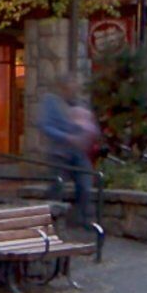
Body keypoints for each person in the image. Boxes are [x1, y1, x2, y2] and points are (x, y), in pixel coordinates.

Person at [36, 81, 102, 231]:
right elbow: (45, 125)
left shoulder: (79, 103)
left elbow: (91, 124)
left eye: (75, 88)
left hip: (78, 152)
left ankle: (84, 220)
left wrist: (88, 133)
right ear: (62, 88)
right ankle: (51, 222)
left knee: (85, 183)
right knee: (57, 186)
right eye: (71, 88)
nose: (73, 91)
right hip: (59, 153)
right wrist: (66, 137)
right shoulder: (51, 102)